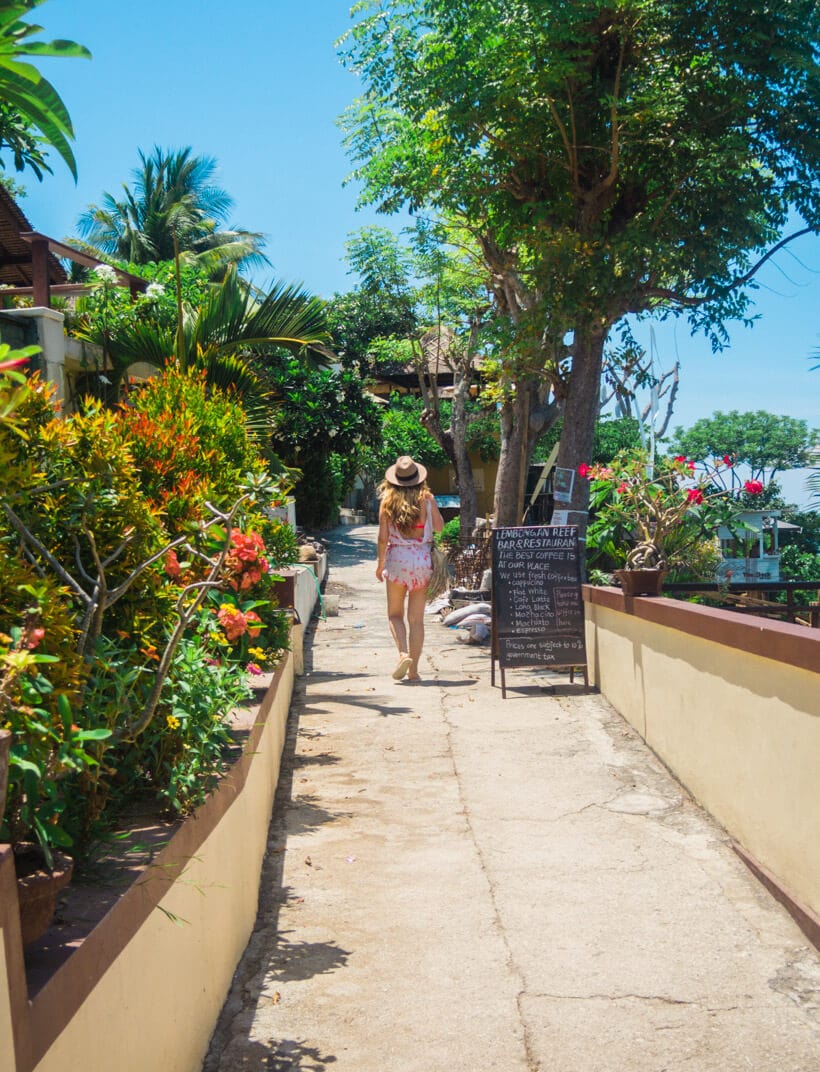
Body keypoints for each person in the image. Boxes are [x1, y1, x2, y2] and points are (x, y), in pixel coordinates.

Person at [376, 455, 444, 682]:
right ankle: (413, 671)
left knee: (395, 615)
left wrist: (380, 565)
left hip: (397, 562)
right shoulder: (426, 500)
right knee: (416, 620)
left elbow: (383, 539)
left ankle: (403, 653)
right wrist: (432, 505)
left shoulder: (387, 502)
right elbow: (441, 528)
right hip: (422, 562)